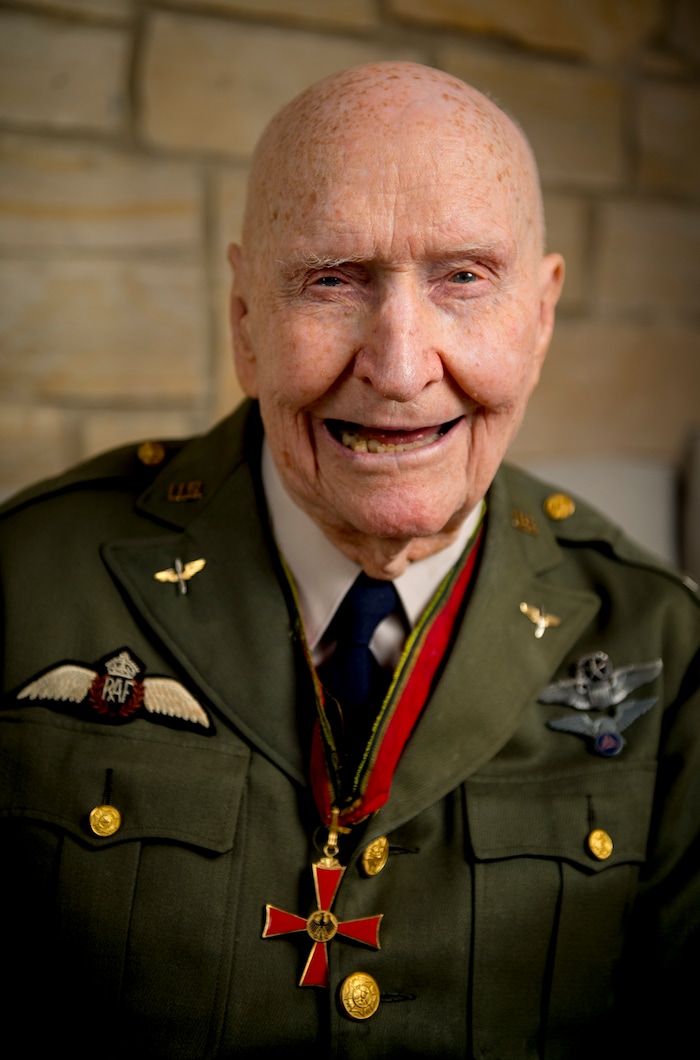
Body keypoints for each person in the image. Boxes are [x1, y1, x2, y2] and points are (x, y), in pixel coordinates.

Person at [0, 61, 697, 1058]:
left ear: (538, 320)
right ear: (244, 321)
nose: (401, 365)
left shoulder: (667, 647)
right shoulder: (26, 582)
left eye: (463, 278)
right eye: (331, 280)